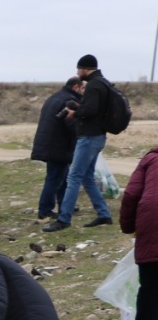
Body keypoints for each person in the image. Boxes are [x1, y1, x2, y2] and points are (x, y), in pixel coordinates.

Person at [44, 55, 115, 232]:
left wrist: (74, 112)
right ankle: (104, 214)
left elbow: (90, 110)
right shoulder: (104, 83)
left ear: (85, 69)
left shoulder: (94, 85)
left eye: (79, 69)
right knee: (86, 177)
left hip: (89, 137)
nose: (77, 72)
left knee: (74, 176)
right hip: (98, 136)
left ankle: (64, 219)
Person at [120, 144, 158, 320]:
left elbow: (131, 194)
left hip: (152, 227)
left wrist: (128, 226)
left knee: (151, 290)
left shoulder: (150, 159)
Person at [32, 77, 85, 221]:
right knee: (55, 178)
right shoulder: (70, 101)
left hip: (50, 142)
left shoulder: (54, 97)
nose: (84, 92)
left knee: (63, 177)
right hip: (58, 145)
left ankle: (65, 205)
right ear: (76, 87)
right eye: (83, 89)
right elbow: (71, 125)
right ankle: (45, 210)